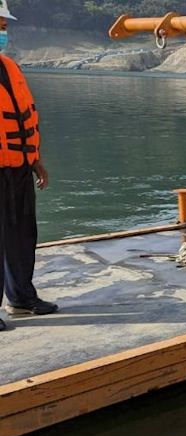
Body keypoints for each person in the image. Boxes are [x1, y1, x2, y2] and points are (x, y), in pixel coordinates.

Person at [0, 1, 58, 332]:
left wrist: (35, 162)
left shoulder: (10, 68)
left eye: (5, 27)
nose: (3, 33)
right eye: (0, 26)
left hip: (19, 168)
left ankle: (22, 297)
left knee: (23, 235)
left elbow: (22, 122)